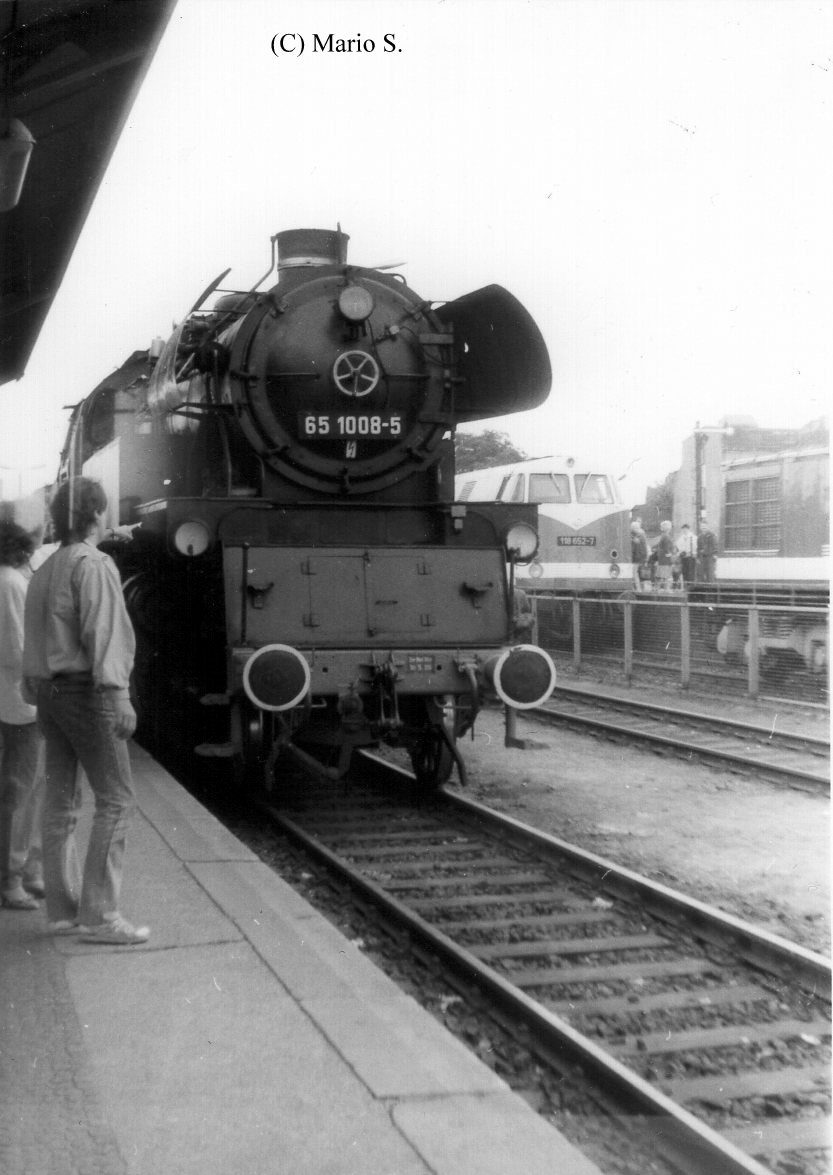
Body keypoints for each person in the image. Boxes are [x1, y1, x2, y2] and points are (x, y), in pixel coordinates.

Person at [22, 477, 149, 944]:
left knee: (61, 803)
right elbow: (105, 633)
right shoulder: (93, 565)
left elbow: (30, 642)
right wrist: (119, 695)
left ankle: (62, 909)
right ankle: (99, 916)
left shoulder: (45, 568)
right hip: (84, 695)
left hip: (49, 696)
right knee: (116, 800)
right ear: (97, 515)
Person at [0, 521, 42, 910]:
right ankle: (11, 879)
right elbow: (18, 650)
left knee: (17, 788)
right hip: (19, 701)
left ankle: (23, 869)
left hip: (12, 699)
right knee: (20, 790)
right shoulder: (10, 583)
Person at [653, 520, 676, 590]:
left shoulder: (663, 536)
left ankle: (657, 588)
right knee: (665, 575)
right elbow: (667, 548)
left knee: (661, 575)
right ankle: (666, 589)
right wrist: (669, 554)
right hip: (665, 559)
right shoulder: (667, 536)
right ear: (669, 528)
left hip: (662, 558)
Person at [630, 518, 650, 591]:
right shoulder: (642, 534)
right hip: (641, 557)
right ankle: (637, 588)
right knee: (636, 573)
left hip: (637, 558)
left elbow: (635, 547)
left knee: (634, 573)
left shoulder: (638, 535)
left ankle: (637, 588)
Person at [698, 518, 717, 584]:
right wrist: (698, 557)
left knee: (710, 574)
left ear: (707, 526)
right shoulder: (700, 536)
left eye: (705, 526)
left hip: (710, 557)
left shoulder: (711, 535)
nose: (703, 528)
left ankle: (711, 589)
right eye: (702, 526)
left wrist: (715, 554)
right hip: (702, 557)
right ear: (700, 527)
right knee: (701, 574)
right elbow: (698, 547)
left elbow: (714, 545)